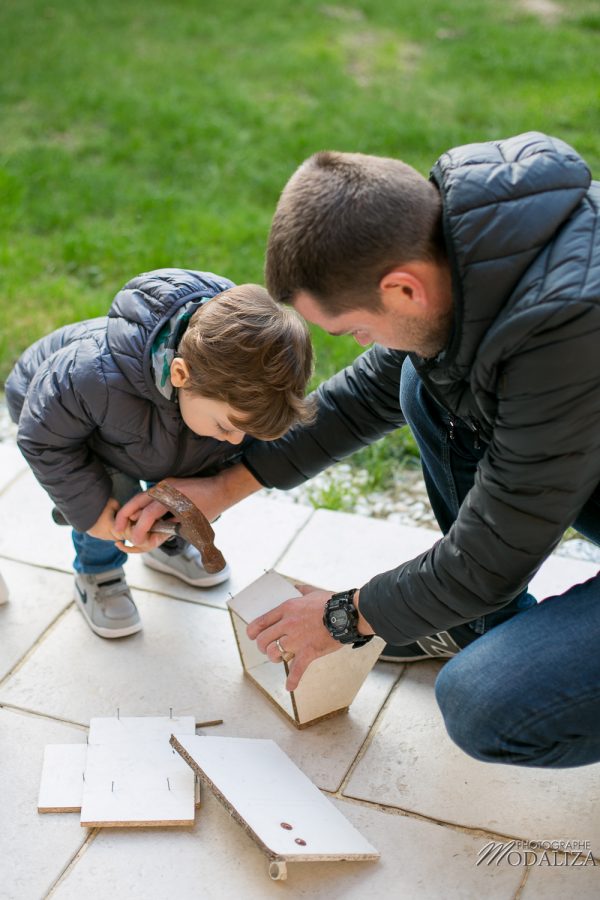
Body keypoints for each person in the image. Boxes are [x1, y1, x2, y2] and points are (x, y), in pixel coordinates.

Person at [117, 134, 600, 768]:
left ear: (403, 289)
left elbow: (489, 558)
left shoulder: (567, 333)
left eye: (356, 329)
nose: (364, 343)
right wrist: (227, 484)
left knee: (486, 703)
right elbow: (366, 393)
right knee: (420, 382)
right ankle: (474, 622)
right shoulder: (474, 248)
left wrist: (347, 617)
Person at [6, 269, 314, 639]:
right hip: (60, 420)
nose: (236, 441)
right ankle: (98, 572)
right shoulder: (90, 374)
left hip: (155, 427)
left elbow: (216, 448)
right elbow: (43, 437)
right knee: (110, 497)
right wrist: (88, 510)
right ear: (181, 374)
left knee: (193, 471)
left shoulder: (219, 392)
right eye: (228, 426)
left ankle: (166, 545)